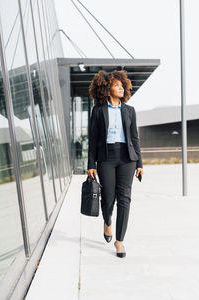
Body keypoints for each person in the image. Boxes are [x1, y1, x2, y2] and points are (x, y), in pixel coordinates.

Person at [87, 70, 143, 258]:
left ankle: (120, 241)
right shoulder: (98, 110)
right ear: (107, 88)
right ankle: (107, 222)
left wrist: (139, 163)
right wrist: (91, 163)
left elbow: (135, 138)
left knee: (125, 199)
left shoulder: (129, 110)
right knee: (108, 199)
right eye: (117, 85)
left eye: (122, 85)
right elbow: (93, 139)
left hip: (127, 158)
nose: (121, 88)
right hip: (106, 158)